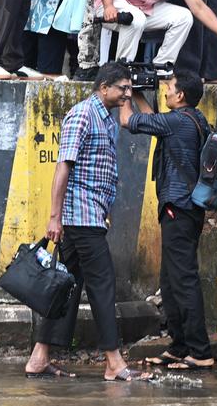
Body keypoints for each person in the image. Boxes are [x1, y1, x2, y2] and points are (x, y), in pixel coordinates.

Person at [24, 63, 152, 381]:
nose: (127, 93)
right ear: (104, 86)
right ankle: (113, 362)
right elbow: (62, 167)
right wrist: (54, 217)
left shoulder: (106, 116)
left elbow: (138, 121)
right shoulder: (82, 114)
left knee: (68, 287)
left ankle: (39, 358)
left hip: (91, 214)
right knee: (103, 285)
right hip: (79, 217)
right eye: (123, 87)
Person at [120, 70, 216, 370]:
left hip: (178, 206)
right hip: (187, 207)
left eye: (169, 88)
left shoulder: (177, 122)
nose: (165, 91)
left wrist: (124, 95)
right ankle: (179, 345)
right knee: (170, 279)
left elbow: (129, 121)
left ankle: (200, 352)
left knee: (183, 279)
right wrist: (136, 92)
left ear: (181, 95)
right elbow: (154, 121)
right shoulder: (192, 119)